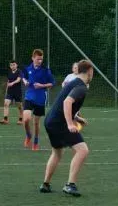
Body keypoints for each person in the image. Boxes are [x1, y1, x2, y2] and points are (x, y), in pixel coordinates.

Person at [39, 60, 93, 197]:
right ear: (89, 71)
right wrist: (70, 123)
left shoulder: (73, 82)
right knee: (82, 150)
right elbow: (67, 102)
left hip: (50, 121)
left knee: (57, 153)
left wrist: (76, 118)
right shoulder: (81, 86)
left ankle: (45, 184)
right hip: (60, 123)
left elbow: (62, 104)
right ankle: (70, 185)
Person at [21, 49, 55, 151]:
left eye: (41, 59)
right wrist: (25, 81)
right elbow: (23, 77)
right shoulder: (27, 69)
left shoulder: (46, 70)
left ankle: (35, 142)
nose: (40, 61)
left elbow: (52, 83)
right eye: (38, 59)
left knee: (36, 122)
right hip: (29, 96)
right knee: (26, 119)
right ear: (33, 58)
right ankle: (28, 135)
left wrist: (42, 85)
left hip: (40, 98)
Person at [0, 60, 23, 125]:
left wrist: (12, 83)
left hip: (17, 92)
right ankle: (5, 119)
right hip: (10, 91)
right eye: (11, 65)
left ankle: (21, 119)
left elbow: (18, 80)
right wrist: (6, 90)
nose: (12, 66)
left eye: (14, 65)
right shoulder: (9, 72)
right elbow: (8, 81)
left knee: (19, 106)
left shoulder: (19, 71)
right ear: (10, 66)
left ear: (16, 65)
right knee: (6, 104)